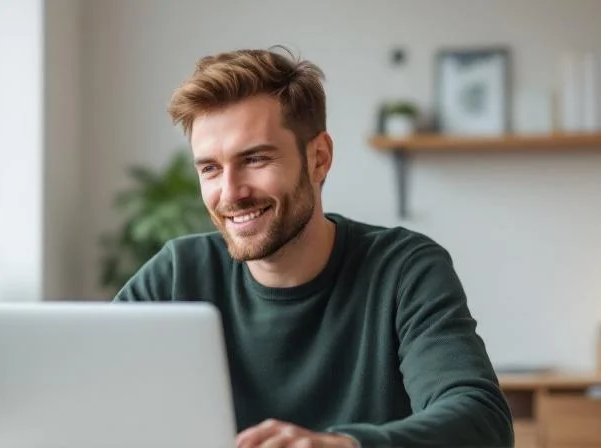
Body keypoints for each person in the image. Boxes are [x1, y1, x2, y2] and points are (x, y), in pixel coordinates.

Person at [113, 46, 514, 448]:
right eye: (210, 169)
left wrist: (344, 445)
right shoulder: (176, 274)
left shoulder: (403, 269)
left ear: (319, 158)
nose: (230, 193)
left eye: (254, 159)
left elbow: (480, 421)